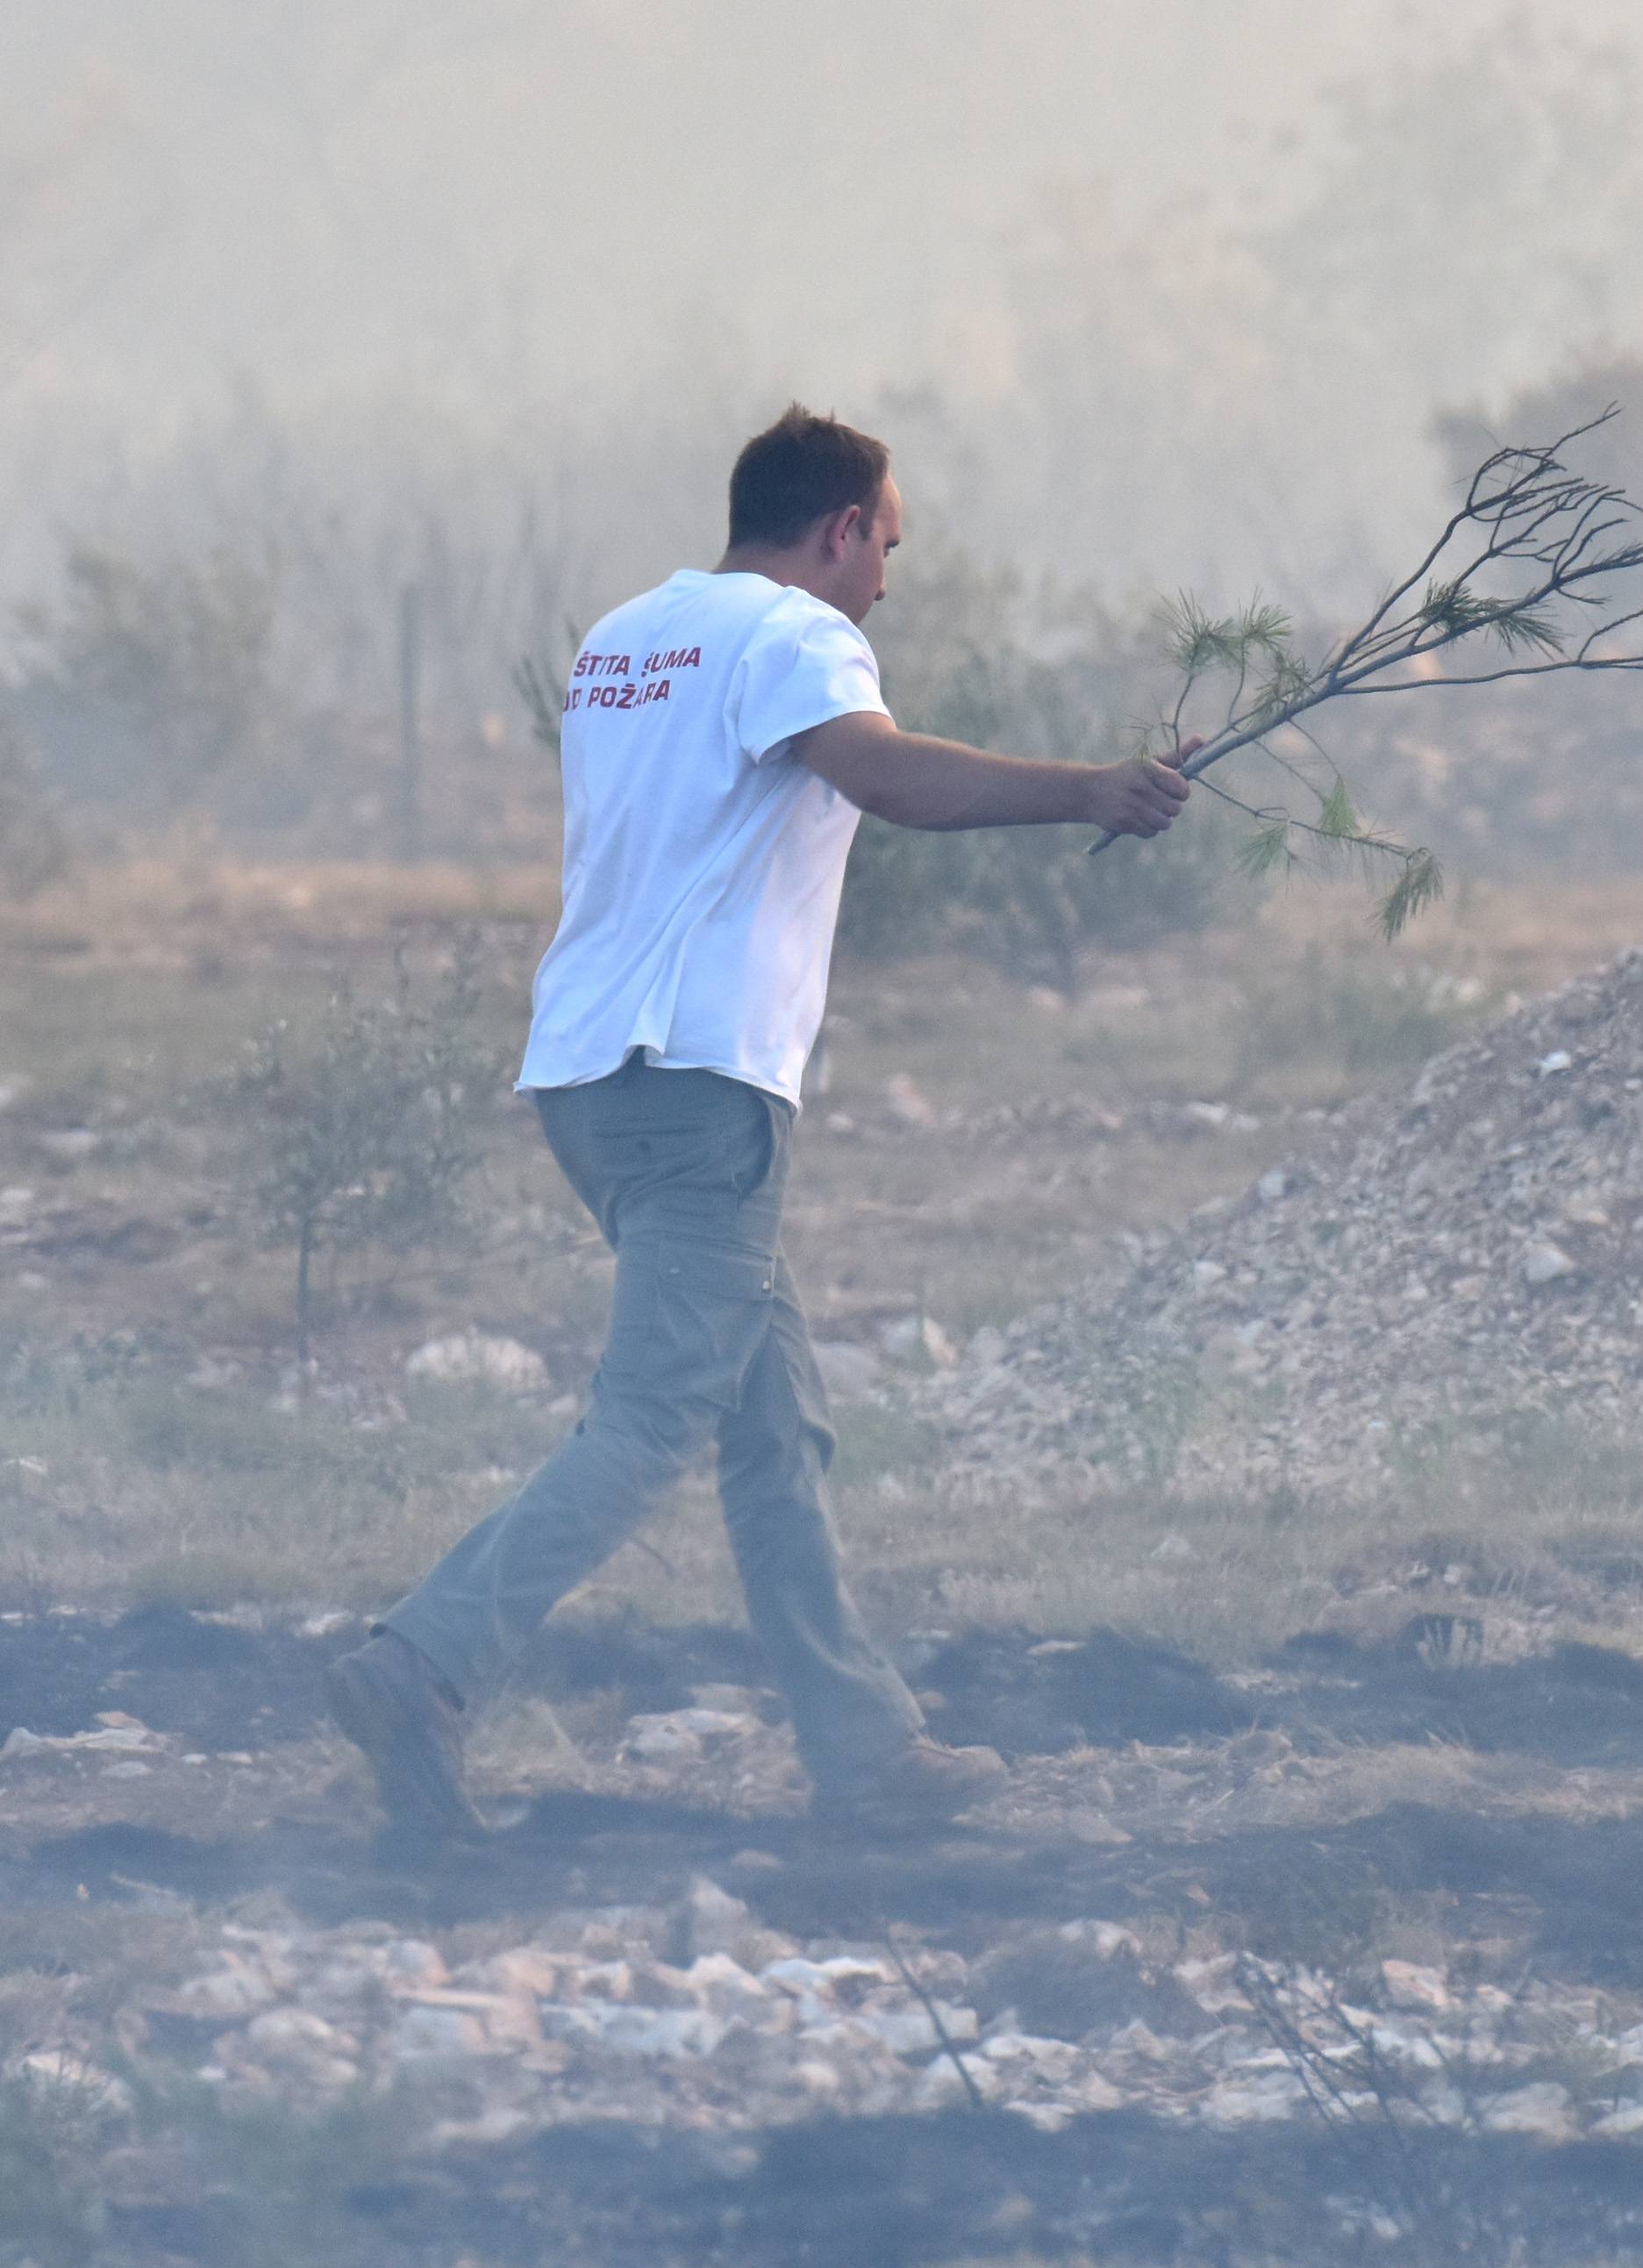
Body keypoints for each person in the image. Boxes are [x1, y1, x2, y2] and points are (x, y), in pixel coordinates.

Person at [326, 403, 1193, 1837]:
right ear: (840, 526)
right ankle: (422, 1661)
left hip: (590, 1077)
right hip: (699, 1085)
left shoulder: (623, 639)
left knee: (770, 1415)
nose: (888, 583)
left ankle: (865, 1748)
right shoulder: (797, 638)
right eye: (887, 546)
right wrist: (1091, 789)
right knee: (661, 1410)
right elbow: (889, 773)